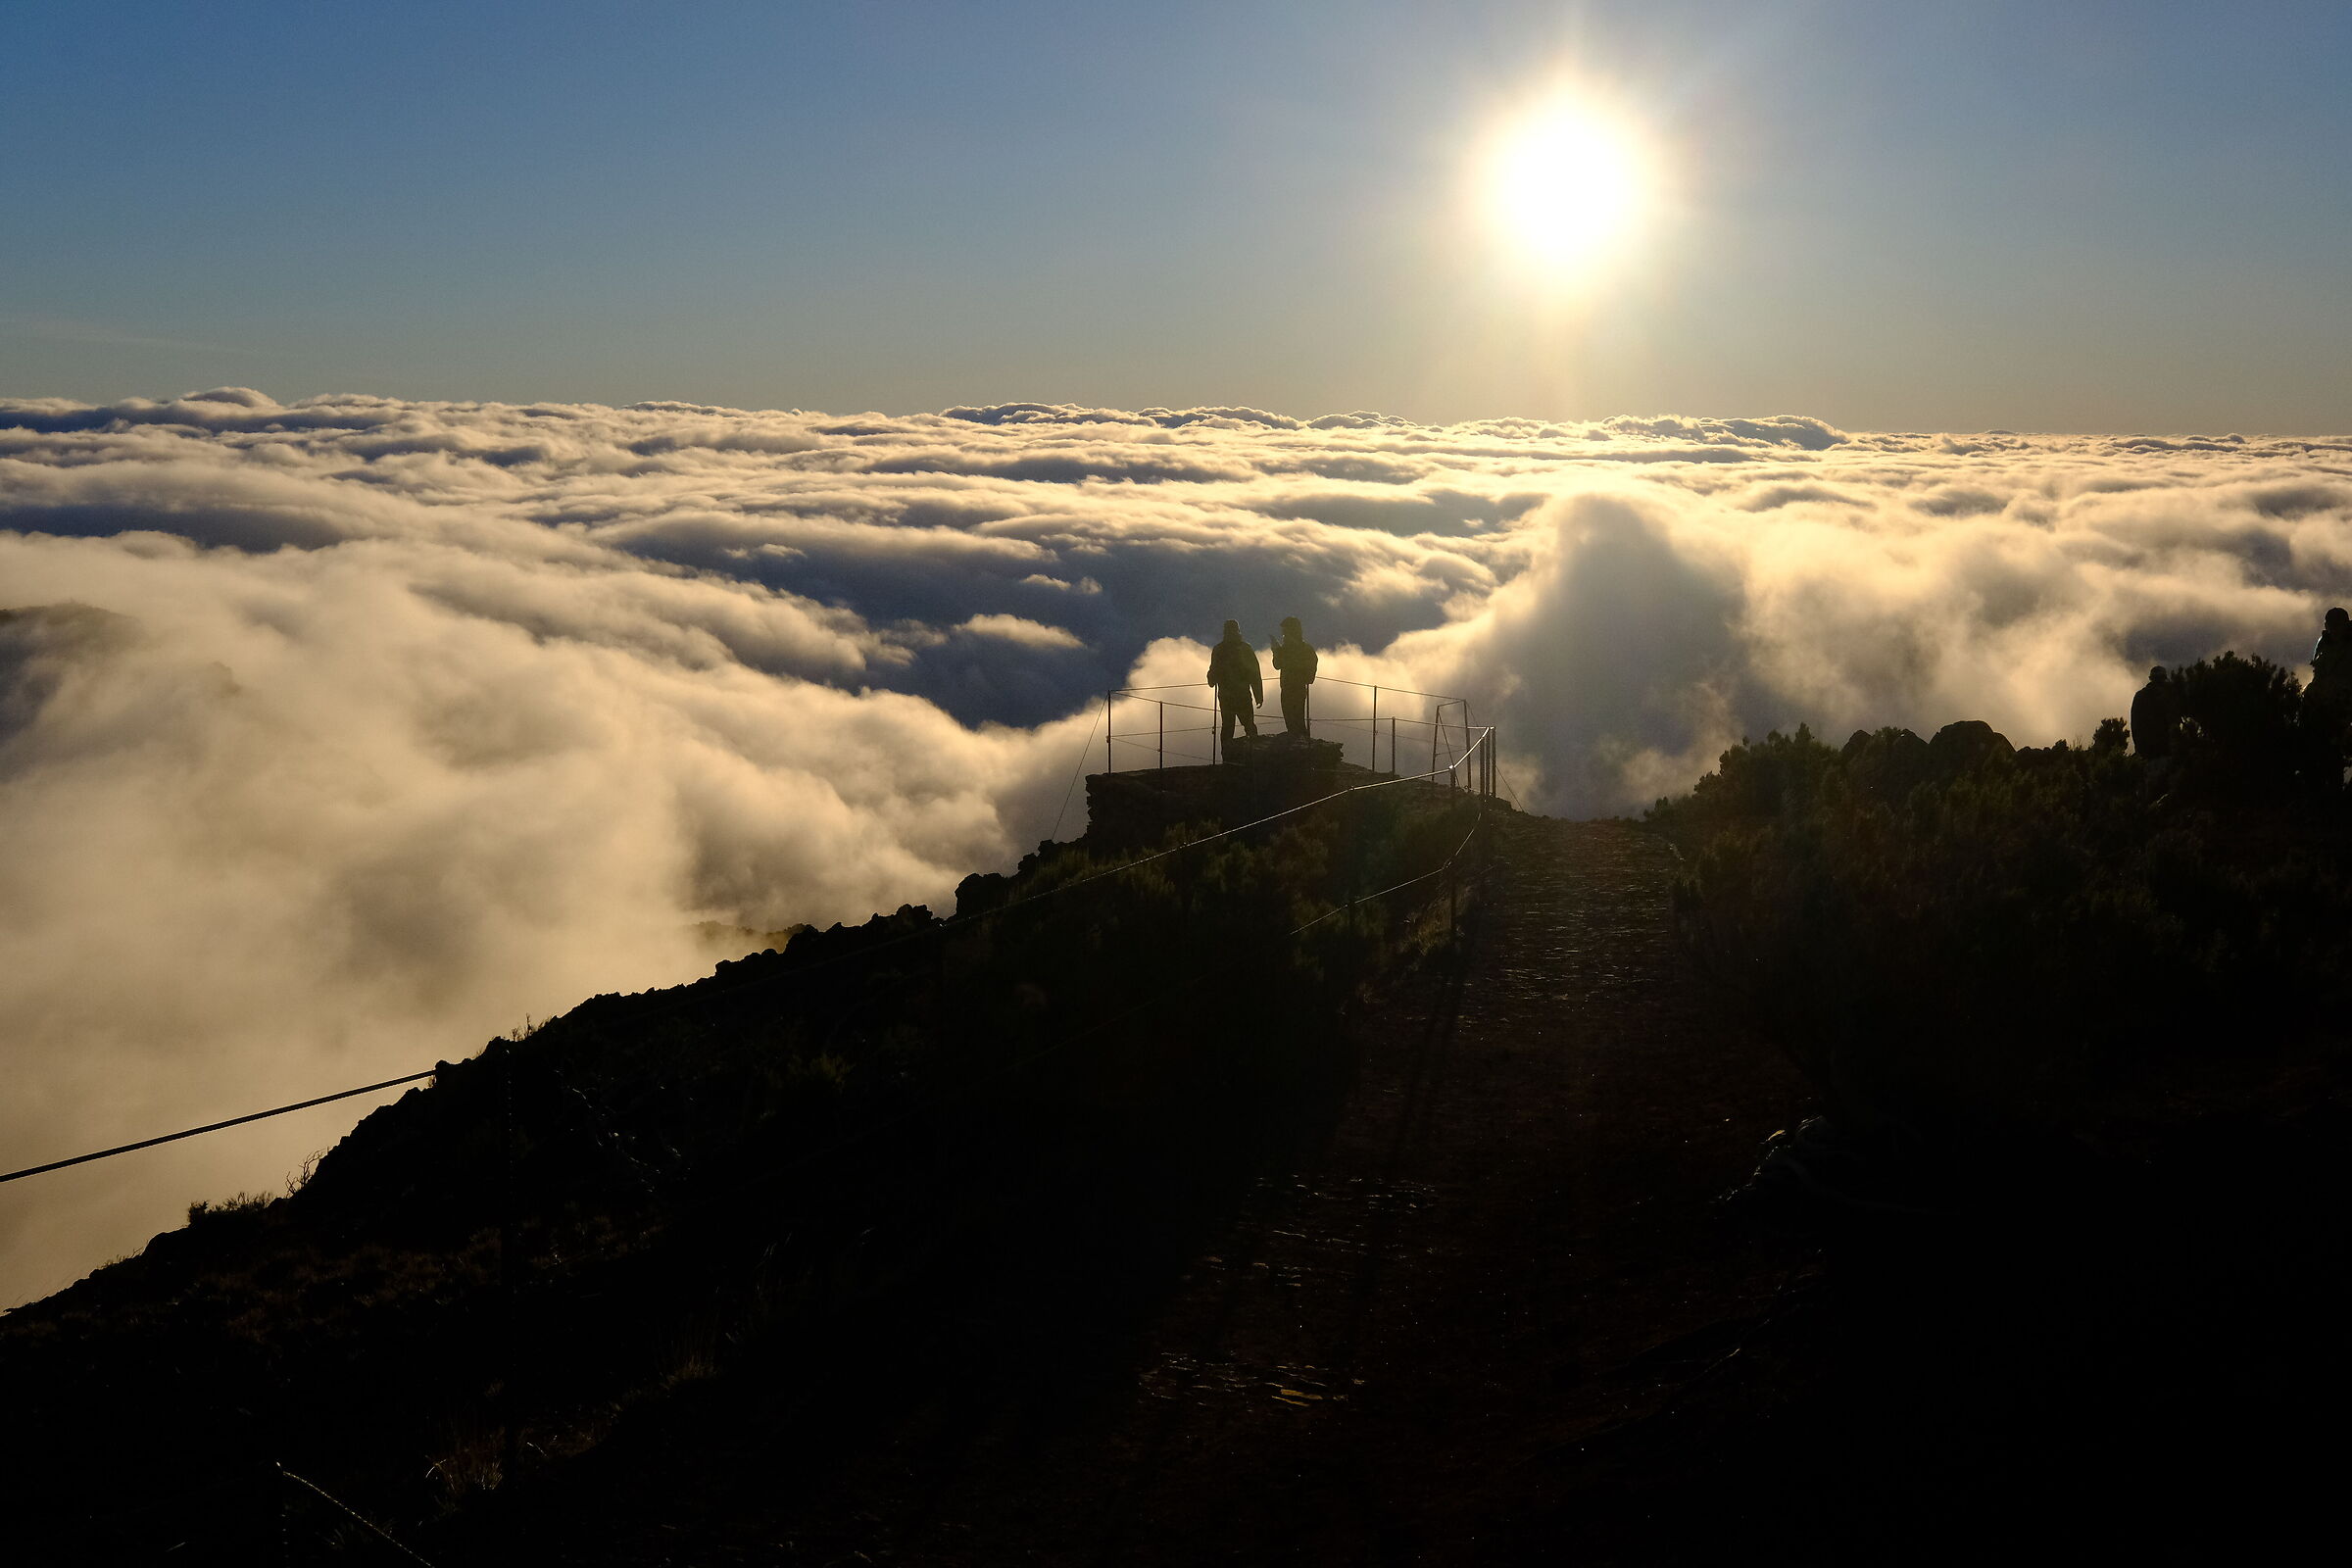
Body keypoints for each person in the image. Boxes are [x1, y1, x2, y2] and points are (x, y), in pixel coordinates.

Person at [2304, 607, 2352, 770]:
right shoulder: (2323, 644)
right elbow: (2318, 671)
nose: (2334, 630)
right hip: (2322, 705)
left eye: (2337, 625)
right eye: (2331, 625)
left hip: (2343, 706)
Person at [1206, 619, 1262, 748]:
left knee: (1227, 727)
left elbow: (1214, 671)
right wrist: (1258, 695)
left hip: (1226, 696)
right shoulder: (1245, 648)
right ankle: (1255, 754)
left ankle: (1227, 758)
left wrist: (1211, 679)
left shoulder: (1219, 649)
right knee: (1249, 726)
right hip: (1242, 694)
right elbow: (1255, 673)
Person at [1269, 615, 1318, 739]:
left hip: (1291, 687)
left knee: (1293, 719)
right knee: (1295, 718)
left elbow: (1278, 664)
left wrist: (1277, 651)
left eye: (1285, 631)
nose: (1283, 634)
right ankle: (1301, 742)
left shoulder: (1293, 649)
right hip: (1295, 687)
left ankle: (1300, 743)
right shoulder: (1305, 648)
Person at [2130, 665, 2179, 760]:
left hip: (2146, 749)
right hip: (2165, 749)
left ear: (2151, 679)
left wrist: (2139, 747)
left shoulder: (2140, 696)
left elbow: (2135, 724)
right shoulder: (2169, 696)